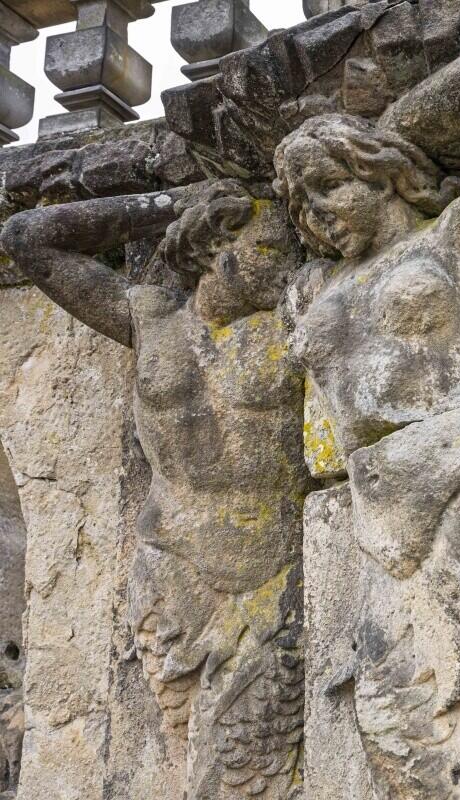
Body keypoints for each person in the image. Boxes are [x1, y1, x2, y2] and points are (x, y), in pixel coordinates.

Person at [274, 30, 460, 799]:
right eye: (301, 205)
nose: (316, 216)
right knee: (398, 731)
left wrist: (403, 122)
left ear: (379, 175)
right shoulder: (317, 289)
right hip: (387, 524)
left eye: (329, 187)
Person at [1, 180, 309, 799]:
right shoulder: (149, 319)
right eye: (269, 248)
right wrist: (173, 201)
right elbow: (25, 239)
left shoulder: (297, 315)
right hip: (168, 572)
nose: (285, 264)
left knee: (248, 769)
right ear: (214, 244)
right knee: (187, 760)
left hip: (268, 578)